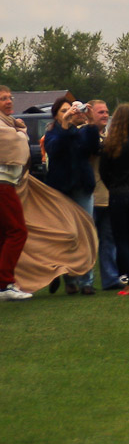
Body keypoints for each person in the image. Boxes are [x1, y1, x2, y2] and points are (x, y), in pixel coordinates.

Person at [44, 98, 101, 293]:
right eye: (63, 111)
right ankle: (69, 278)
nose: (69, 113)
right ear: (56, 115)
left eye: (71, 110)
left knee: (86, 232)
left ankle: (86, 281)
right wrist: (65, 125)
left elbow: (93, 148)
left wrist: (91, 122)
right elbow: (54, 150)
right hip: (61, 189)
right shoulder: (52, 133)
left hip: (82, 187)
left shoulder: (79, 132)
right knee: (67, 235)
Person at [98, 103, 129, 294]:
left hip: (118, 194)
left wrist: (112, 186)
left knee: (121, 239)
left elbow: (103, 171)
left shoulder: (109, 144)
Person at [0, 85, 33, 301]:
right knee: (17, 231)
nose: (8, 101)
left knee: (5, 234)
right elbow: (17, 144)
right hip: (2, 183)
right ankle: (4, 284)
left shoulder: (8, 123)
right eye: (3, 98)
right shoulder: (4, 126)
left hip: (7, 182)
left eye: (10, 97)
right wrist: (22, 132)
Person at [88, 99, 121, 290]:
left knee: (109, 239)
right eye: (100, 112)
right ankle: (84, 280)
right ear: (90, 113)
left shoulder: (110, 136)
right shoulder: (83, 134)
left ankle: (110, 278)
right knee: (87, 241)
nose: (105, 115)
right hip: (89, 195)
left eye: (107, 112)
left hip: (107, 195)